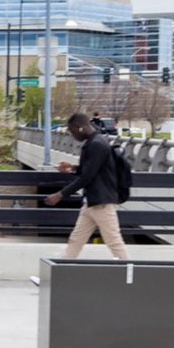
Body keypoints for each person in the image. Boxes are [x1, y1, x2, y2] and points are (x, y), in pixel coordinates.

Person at [32, 112, 129, 286]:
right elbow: (91, 170)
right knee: (76, 241)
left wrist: (60, 194)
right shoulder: (96, 142)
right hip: (92, 202)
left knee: (114, 241)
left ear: (81, 127)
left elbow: (87, 177)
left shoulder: (97, 144)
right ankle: (54, 278)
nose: (71, 134)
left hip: (101, 202)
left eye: (71, 131)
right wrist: (73, 168)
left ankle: (132, 278)